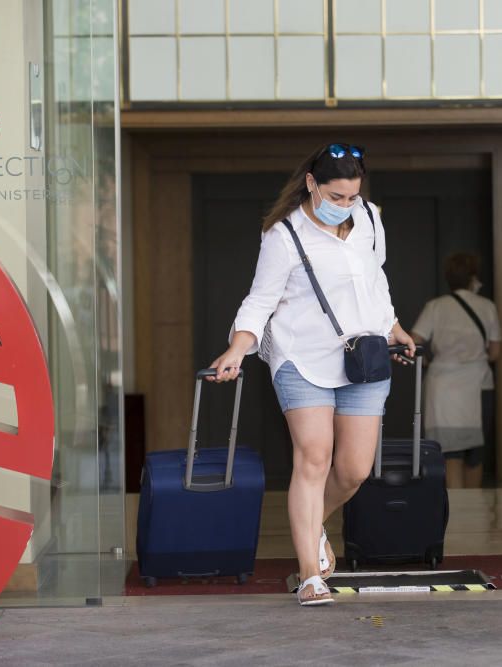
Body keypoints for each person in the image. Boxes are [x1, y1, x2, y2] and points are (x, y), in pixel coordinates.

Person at [207, 143, 416, 607]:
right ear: (311, 184)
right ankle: (309, 576)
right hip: (301, 357)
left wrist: (395, 328)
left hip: (364, 356)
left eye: (352, 196)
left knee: (355, 470)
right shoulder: (284, 235)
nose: (345, 205)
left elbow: (376, 279)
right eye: (336, 196)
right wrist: (239, 347)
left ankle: (311, 525)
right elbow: (260, 299)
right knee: (314, 457)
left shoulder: (370, 220)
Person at [411, 252, 501, 489]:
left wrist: (432, 361)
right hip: (478, 385)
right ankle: (475, 510)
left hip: (442, 388)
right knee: (475, 453)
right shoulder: (487, 306)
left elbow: (414, 341)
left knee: (449, 453)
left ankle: (456, 514)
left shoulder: (435, 307)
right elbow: (495, 353)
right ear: (474, 279)